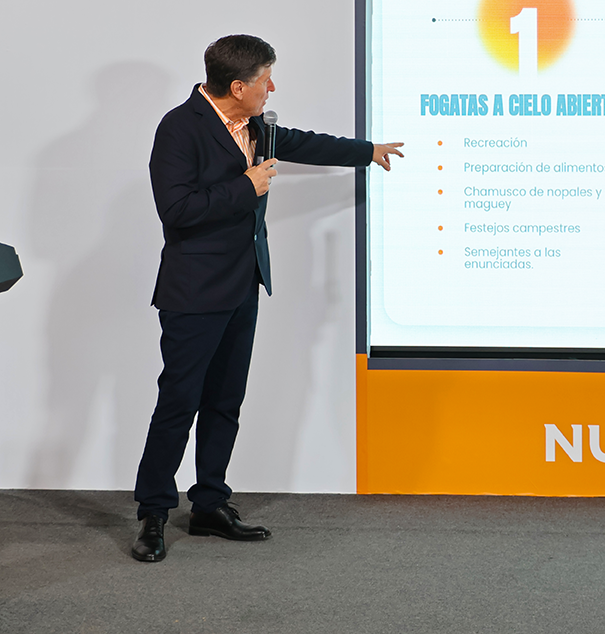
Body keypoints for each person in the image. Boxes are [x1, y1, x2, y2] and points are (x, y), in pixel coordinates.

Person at [131, 34, 402, 563]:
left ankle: (209, 504)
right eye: (265, 80)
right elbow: (176, 210)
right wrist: (246, 186)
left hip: (242, 285)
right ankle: (153, 512)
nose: (271, 89)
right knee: (179, 403)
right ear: (238, 86)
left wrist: (367, 153)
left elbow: (303, 143)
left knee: (225, 402)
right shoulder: (179, 128)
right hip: (193, 292)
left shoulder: (257, 126)